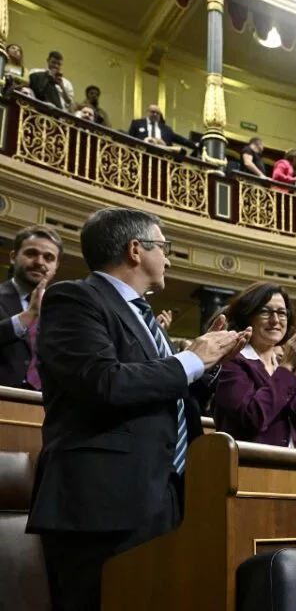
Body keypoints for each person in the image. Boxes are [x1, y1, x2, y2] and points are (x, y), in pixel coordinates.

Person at [26, 207, 250, 611]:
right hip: (101, 502)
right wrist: (192, 359)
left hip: (163, 494)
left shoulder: (144, 316)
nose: (168, 257)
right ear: (135, 250)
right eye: (164, 247)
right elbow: (103, 382)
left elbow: (166, 395)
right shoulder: (74, 298)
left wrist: (212, 364)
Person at [212, 282, 296, 448]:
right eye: (265, 312)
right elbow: (252, 417)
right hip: (249, 467)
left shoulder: (285, 364)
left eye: (281, 313)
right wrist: (286, 369)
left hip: (293, 467)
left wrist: (295, 377)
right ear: (247, 316)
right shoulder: (232, 361)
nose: (275, 320)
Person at [0, 225, 62, 389]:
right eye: (31, 253)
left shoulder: (61, 310)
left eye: (48, 258)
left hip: (43, 406)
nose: (39, 262)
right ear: (13, 257)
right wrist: (29, 315)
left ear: (56, 267)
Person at [127, 105, 197, 151]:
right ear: (147, 112)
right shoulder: (137, 123)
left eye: (157, 113)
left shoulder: (167, 130)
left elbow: (181, 140)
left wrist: (196, 145)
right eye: (153, 112)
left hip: (162, 159)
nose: (155, 114)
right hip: (140, 155)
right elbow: (129, 139)